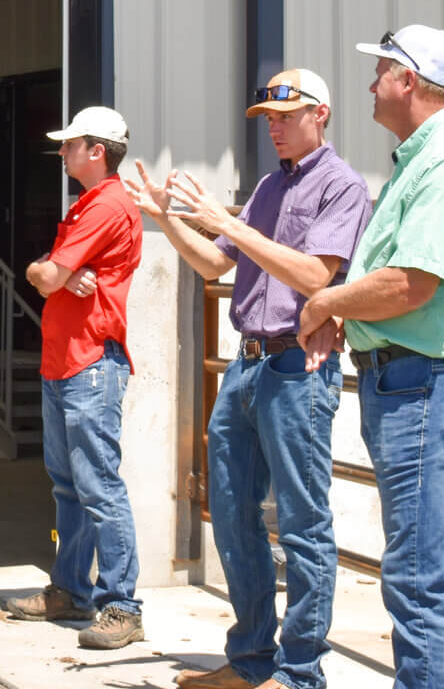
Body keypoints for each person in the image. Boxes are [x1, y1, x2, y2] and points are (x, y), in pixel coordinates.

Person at [128, 69, 372, 689]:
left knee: (301, 522)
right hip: (250, 362)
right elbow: (217, 263)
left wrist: (229, 222)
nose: (276, 128)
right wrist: (169, 219)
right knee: (233, 514)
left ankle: (298, 673)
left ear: (322, 114)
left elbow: (318, 276)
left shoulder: (341, 187)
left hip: (296, 366)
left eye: (286, 117)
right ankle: (251, 660)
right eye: (269, 119)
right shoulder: (270, 185)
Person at [297, 26, 444, 689]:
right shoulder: (425, 160)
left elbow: (409, 282)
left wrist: (329, 304)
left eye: (382, 70)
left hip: (424, 389)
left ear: (410, 83)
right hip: (414, 385)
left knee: (416, 575)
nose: (372, 84)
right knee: (426, 571)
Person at [5, 105, 145, 652]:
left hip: (88, 364)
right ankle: (70, 589)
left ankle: (121, 605)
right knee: (71, 486)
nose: (61, 151)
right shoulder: (89, 204)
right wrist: (54, 271)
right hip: (67, 362)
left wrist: (55, 272)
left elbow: (45, 277)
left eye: (70, 144)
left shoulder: (106, 204)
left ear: (97, 151)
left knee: (97, 486)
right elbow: (42, 271)